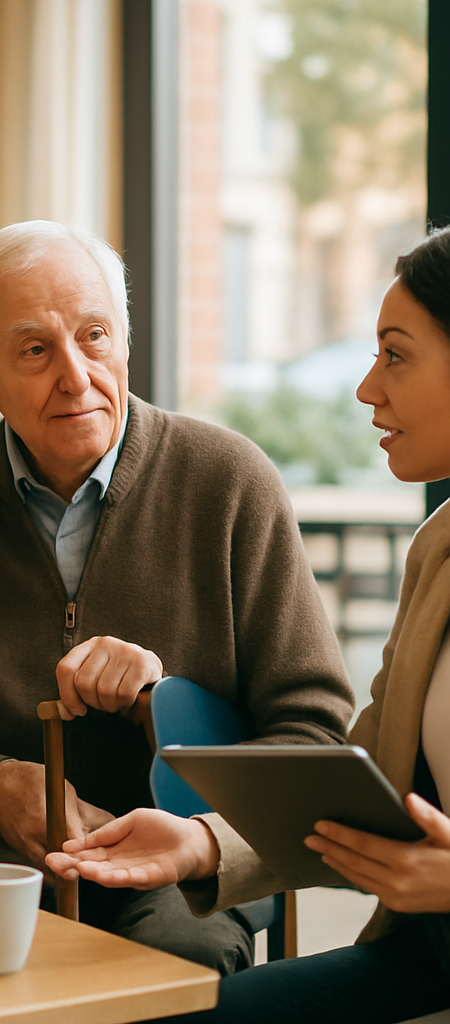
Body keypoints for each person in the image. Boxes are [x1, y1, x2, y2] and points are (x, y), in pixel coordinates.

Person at [0, 220, 355, 972]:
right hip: (0, 849)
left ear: (126, 340)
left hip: (190, 850)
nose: (74, 376)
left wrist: (164, 701)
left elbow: (315, 733)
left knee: (168, 967)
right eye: (34, 350)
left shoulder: (229, 482)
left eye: (94, 336)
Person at [47, 227, 450, 1023]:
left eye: (395, 355)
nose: (368, 388)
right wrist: (200, 843)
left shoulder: (227, 478)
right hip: (427, 960)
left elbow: (309, 717)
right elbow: (357, 784)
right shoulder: (438, 548)